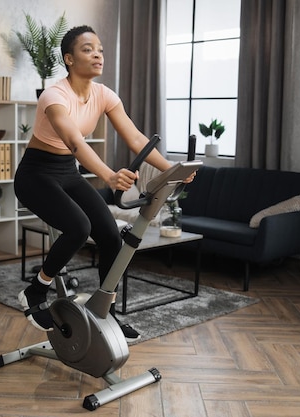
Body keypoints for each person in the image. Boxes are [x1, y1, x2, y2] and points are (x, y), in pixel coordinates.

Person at [14, 25, 194, 342]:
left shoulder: (104, 95)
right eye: (87, 49)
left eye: (100, 49)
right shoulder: (54, 96)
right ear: (69, 59)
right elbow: (74, 142)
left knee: (111, 236)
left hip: (67, 172)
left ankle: (104, 313)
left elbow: (137, 139)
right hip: (36, 175)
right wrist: (109, 175)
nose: (97, 54)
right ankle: (35, 290)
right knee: (78, 227)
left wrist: (173, 169)